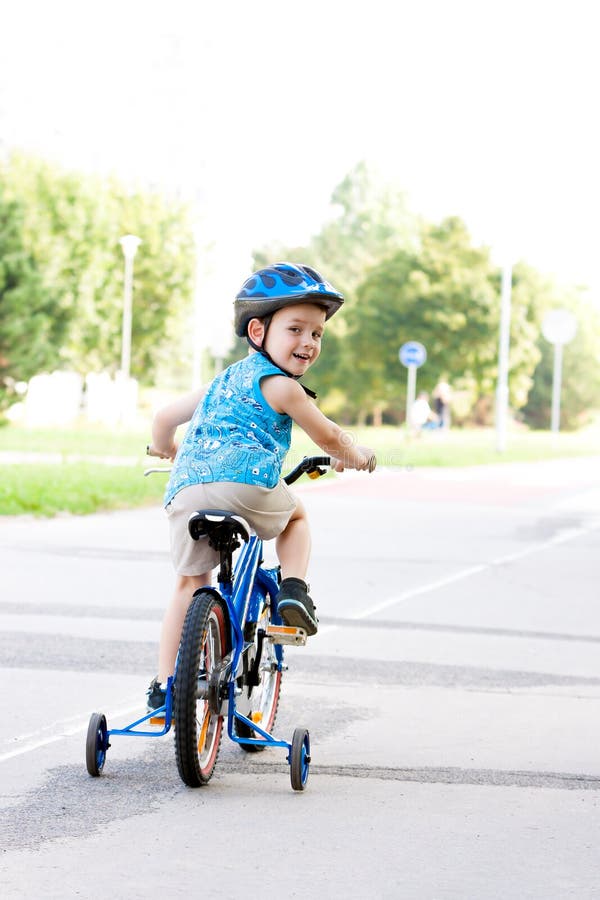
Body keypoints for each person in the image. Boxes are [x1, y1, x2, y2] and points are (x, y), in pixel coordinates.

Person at [145, 262, 376, 711]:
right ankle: (294, 591)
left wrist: (167, 450)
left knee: (190, 582)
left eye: (317, 334)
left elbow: (163, 420)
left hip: (187, 490)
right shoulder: (282, 387)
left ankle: (164, 686)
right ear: (257, 330)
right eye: (295, 329)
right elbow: (328, 436)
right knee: (297, 518)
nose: (308, 342)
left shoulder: (220, 384)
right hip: (248, 485)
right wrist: (356, 455)